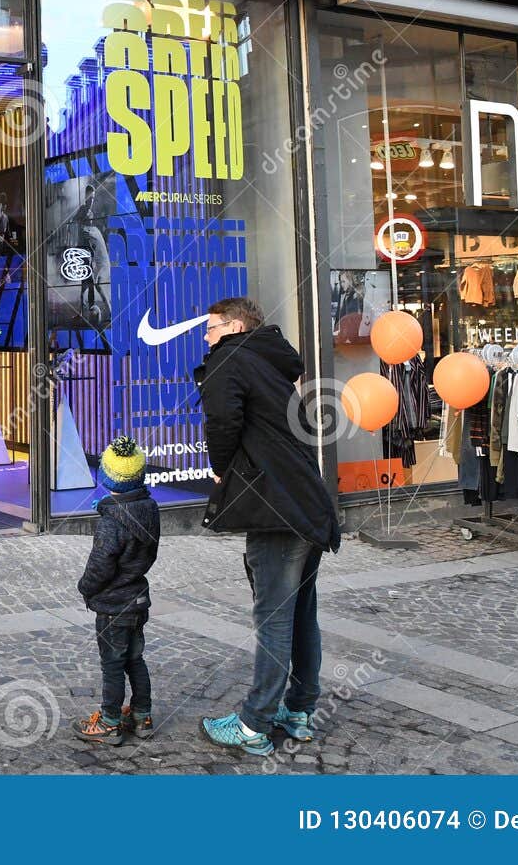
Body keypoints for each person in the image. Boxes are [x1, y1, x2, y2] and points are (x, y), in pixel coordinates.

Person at [194, 296, 340, 758]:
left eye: (212, 326)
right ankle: (298, 711)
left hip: (276, 508)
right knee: (300, 615)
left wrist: (220, 469)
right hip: (306, 501)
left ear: (236, 326)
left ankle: (254, 723)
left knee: (274, 616)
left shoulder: (230, 359)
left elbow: (222, 421)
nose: (206, 336)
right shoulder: (270, 364)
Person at [72, 436, 160, 746]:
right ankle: (142, 715)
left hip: (113, 606)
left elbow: (101, 565)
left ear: (107, 478)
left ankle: (109, 721)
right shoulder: (150, 508)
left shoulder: (111, 522)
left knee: (112, 664)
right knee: (135, 659)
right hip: (137, 601)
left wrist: (85, 587)